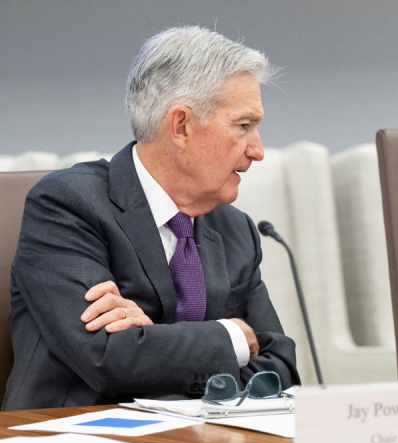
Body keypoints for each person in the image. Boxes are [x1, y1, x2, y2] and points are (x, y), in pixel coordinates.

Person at [3, 26, 300, 410]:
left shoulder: (236, 229)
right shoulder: (68, 205)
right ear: (181, 126)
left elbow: (279, 369)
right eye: (243, 126)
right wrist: (235, 336)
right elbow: (106, 358)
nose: (257, 150)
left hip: (194, 432)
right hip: (71, 430)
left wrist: (151, 343)